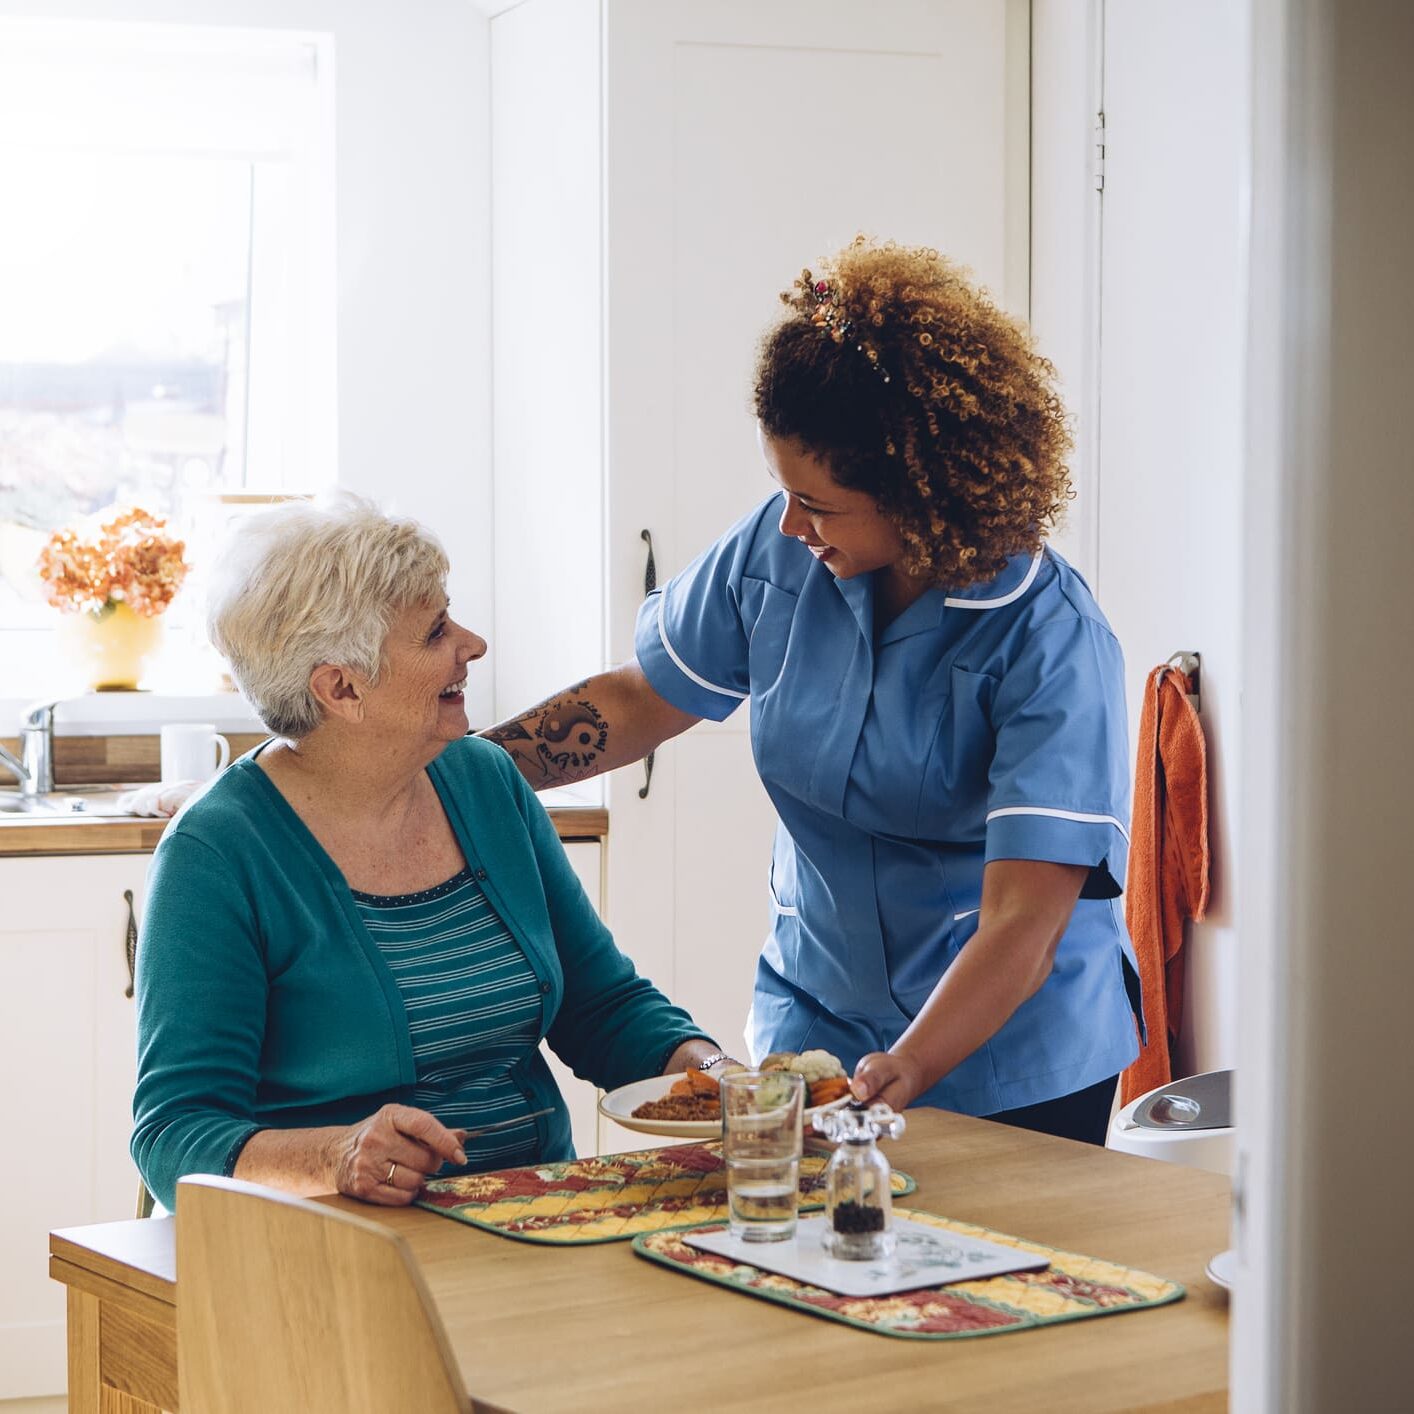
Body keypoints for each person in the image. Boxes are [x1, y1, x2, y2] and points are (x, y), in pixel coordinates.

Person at [483, 237, 1141, 1145]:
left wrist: (912, 1063)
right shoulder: (780, 548)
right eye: (782, 491)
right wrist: (463, 771)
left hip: (1007, 1058)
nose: (791, 523)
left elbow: (1025, 919)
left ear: (921, 492)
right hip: (817, 1025)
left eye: (821, 505)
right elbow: (640, 700)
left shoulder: (1050, 639)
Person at [131, 496, 724, 1211]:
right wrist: (338, 1155)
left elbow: (601, 1007)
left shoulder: (485, 781)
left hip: (532, 1216)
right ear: (341, 687)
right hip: (335, 1248)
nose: (472, 645)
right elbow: (174, 1134)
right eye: (436, 630)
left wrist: (714, 1073)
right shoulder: (217, 853)